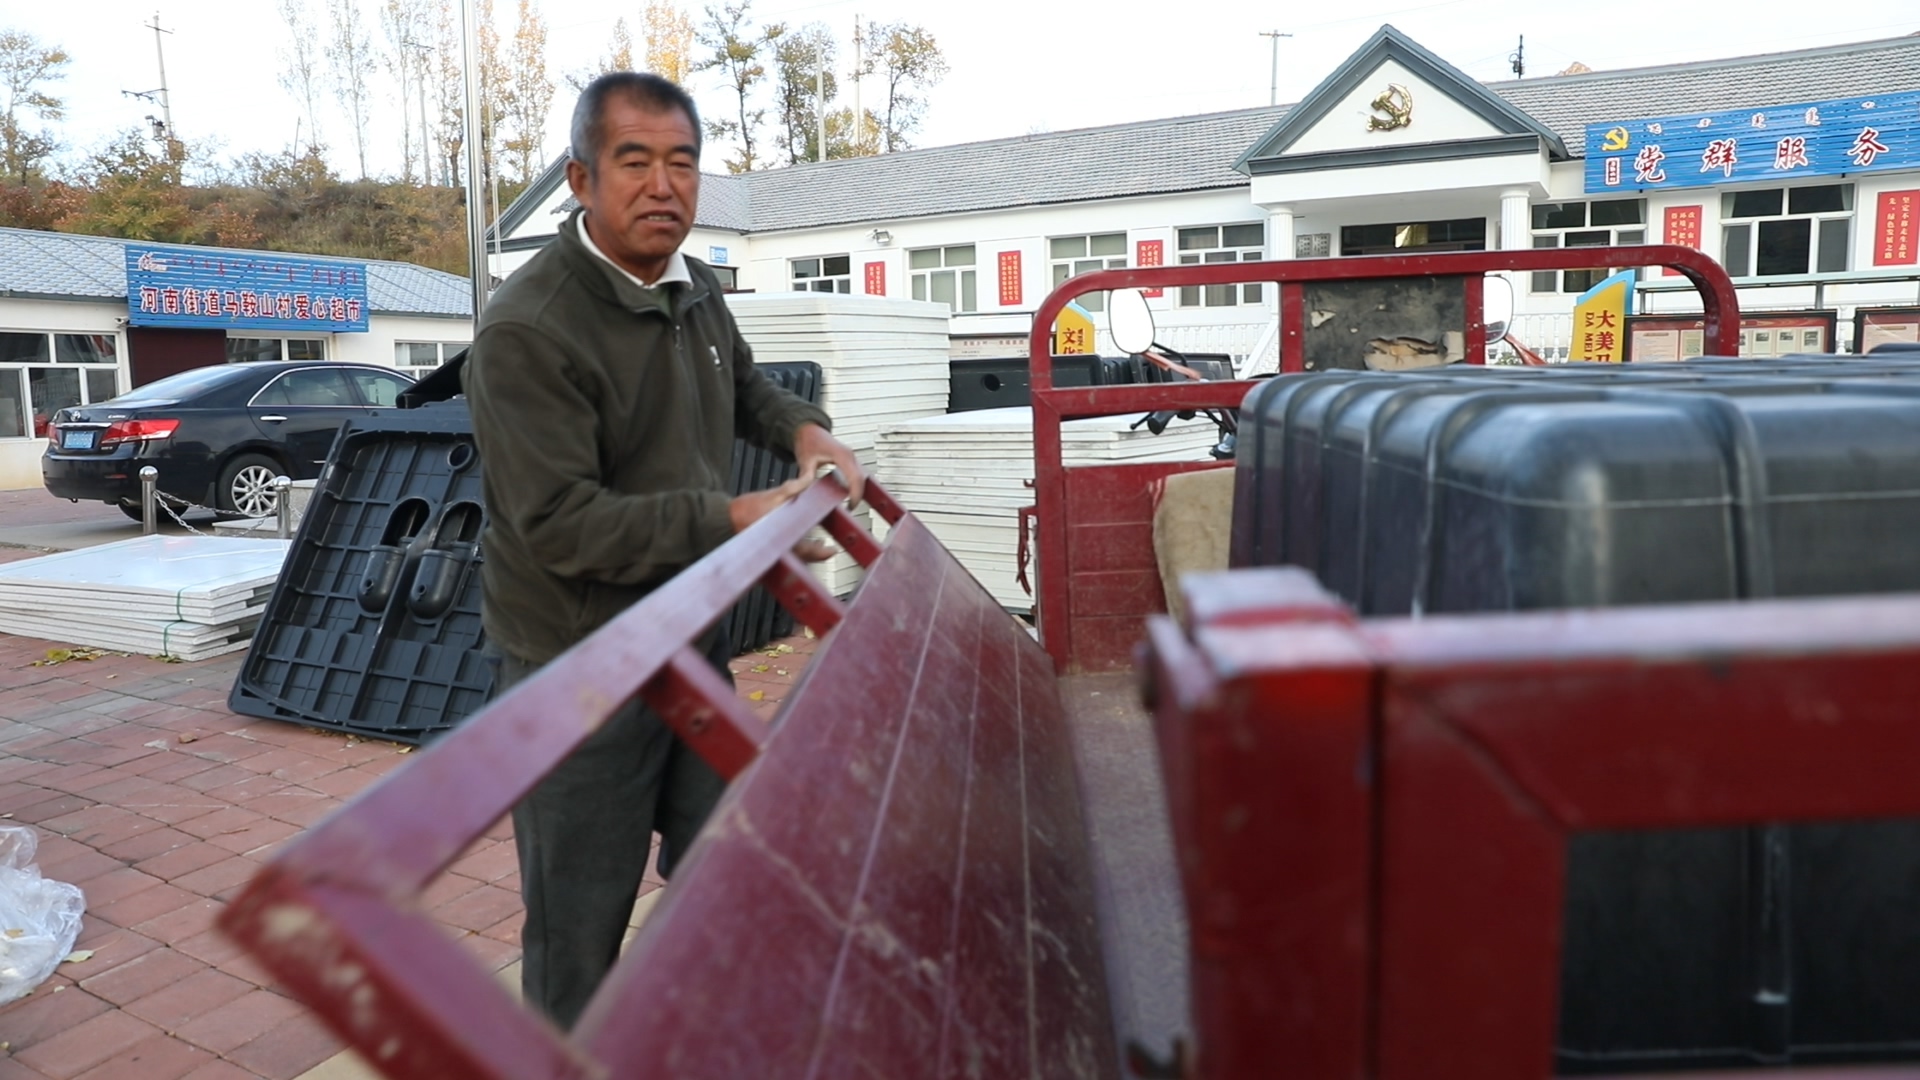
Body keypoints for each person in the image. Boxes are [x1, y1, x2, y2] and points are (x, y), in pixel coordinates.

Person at [462, 70, 865, 1031]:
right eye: (633, 161)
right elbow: (560, 525)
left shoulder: (694, 286)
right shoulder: (529, 330)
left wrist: (805, 430)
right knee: (578, 934)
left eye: (681, 163)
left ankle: (701, 1036)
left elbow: (747, 388)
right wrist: (738, 520)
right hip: (579, 669)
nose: (662, 186)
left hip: (689, 637)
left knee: (731, 865)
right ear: (580, 179)